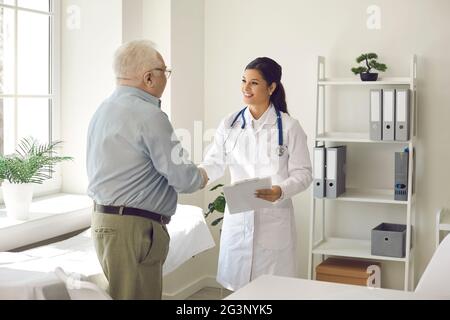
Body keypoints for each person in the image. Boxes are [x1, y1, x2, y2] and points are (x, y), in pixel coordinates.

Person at [86, 40, 208, 300]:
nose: (166, 77)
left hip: (104, 222)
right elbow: (183, 178)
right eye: (165, 71)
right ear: (149, 77)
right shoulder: (149, 116)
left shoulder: (102, 110)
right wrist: (201, 175)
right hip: (134, 229)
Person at [201, 57, 312, 291]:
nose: (245, 88)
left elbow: (303, 173)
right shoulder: (230, 123)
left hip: (273, 220)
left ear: (271, 88)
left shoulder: (290, 127)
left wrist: (280, 190)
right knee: (238, 292)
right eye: (243, 81)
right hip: (239, 219)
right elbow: (214, 163)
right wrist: (198, 175)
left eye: (254, 83)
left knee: (272, 291)